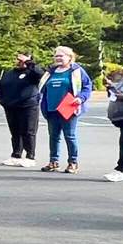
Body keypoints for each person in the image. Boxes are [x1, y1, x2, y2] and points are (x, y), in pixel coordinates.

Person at [38, 44, 94, 173]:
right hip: (52, 108)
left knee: (70, 136)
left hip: (69, 108)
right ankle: (53, 161)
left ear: (69, 57)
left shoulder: (76, 70)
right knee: (54, 136)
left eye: (61, 55)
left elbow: (87, 86)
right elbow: (42, 88)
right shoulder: (50, 71)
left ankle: (73, 163)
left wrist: (81, 98)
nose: (58, 58)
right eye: (56, 55)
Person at [0, 53, 42, 167]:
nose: (20, 62)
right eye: (18, 60)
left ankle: (30, 156)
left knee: (28, 132)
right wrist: (2, 100)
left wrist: (28, 62)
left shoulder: (32, 73)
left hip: (28, 106)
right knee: (15, 132)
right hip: (11, 106)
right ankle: (16, 155)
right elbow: (0, 87)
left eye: (23, 61)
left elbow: (40, 73)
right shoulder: (10, 73)